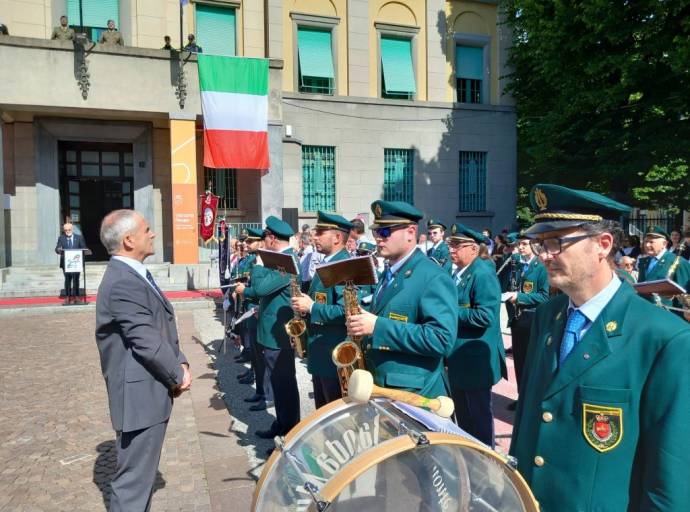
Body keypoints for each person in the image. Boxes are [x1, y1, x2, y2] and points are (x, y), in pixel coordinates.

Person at [510, 184, 690, 510]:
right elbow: (530, 418)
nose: (546, 255)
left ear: (602, 245)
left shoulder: (663, 338)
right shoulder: (548, 317)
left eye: (557, 242)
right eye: (541, 244)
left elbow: (670, 476)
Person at [95, 210, 191, 511]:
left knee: (140, 481)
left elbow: (158, 325)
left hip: (148, 392)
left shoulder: (133, 273)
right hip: (140, 399)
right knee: (133, 486)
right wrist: (178, 374)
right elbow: (145, 339)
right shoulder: (123, 281)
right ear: (128, 240)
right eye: (147, 229)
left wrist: (181, 360)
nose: (152, 234)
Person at [346, 200, 457, 399]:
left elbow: (442, 339)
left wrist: (378, 326)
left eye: (386, 232)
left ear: (410, 232)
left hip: (414, 395)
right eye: (376, 232)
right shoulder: (390, 272)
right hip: (383, 387)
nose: (379, 238)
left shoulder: (433, 276)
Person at [235, 217, 300, 446]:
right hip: (270, 332)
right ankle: (281, 425)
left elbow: (262, 288)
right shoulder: (281, 260)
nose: (262, 243)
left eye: (265, 239)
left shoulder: (288, 261)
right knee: (279, 384)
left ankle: (291, 432)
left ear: (272, 239)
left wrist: (260, 263)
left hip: (279, 335)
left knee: (285, 385)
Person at [445, 223, 505, 447]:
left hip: (475, 360)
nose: (452, 249)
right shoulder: (460, 273)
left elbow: (485, 316)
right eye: (451, 244)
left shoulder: (482, 273)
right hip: (460, 357)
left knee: (479, 418)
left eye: (457, 245)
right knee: (464, 416)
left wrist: (448, 313)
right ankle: (470, 456)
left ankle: (484, 460)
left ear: (472, 248)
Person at [292, 212, 353, 407]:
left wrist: (311, 307)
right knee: (322, 410)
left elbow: (347, 311)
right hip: (321, 352)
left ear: (337, 237)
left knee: (335, 415)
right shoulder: (328, 261)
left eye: (320, 232)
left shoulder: (344, 265)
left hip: (333, 355)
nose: (314, 236)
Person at [503, 232, 549, 409]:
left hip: (532, 318)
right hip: (517, 318)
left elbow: (544, 296)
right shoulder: (517, 265)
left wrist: (519, 297)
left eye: (524, 244)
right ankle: (522, 397)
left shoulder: (541, 267)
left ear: (534, 245)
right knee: (519, 360)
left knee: (532, 361)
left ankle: (533, 399)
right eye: (519, 244)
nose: (520, 247)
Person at [637, 226, 690, 314]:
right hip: (645, 313)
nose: (647, 245)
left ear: (664, 244)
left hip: (668, 317)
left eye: (651, 242)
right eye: (646, 241)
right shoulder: (644, 262)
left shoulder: (678, 262)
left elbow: (686, 296)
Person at [55, 222, 87, 305]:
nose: (67, 231)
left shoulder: (79, 238)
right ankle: (67, 297)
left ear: (72, 229)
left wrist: (83, 250)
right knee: (68, 280)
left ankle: (76, 297)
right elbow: (57, 248)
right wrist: (58, 249)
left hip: (76, 263)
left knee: (76, 280)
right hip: (66, 263)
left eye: (69, 230)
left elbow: (84, 247)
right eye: (65, 230)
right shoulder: (61, 238)